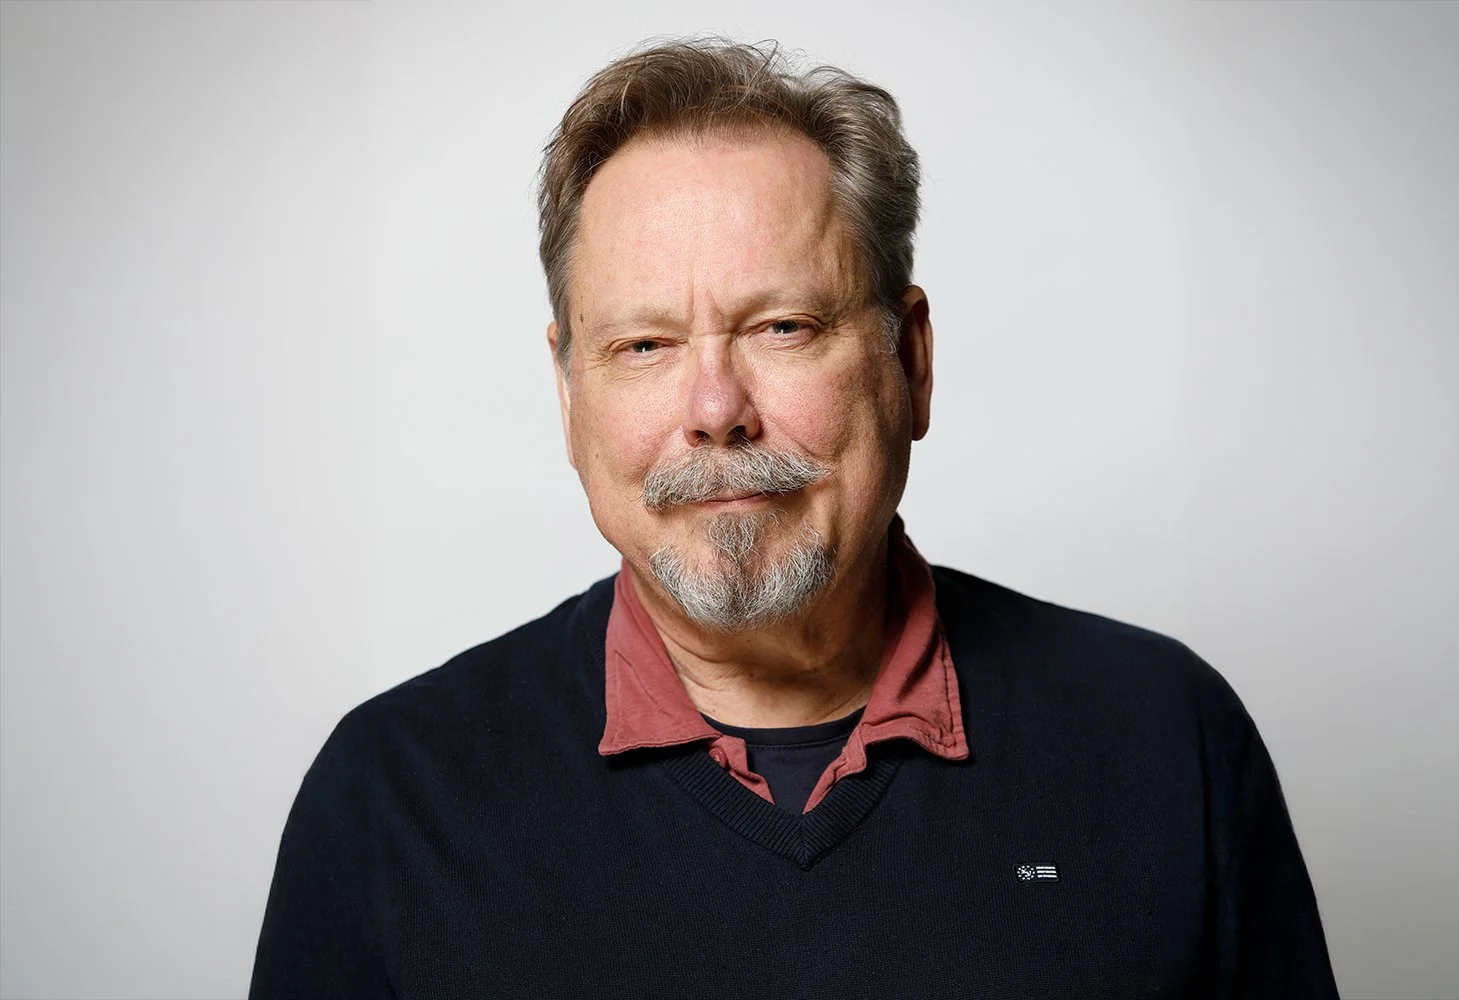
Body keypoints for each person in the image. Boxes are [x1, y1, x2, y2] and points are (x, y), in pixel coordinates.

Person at [250, 38, 1339, 999]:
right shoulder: (392, 796)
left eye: (782, 325)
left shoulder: (1165, 738)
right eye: (644, 345)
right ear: (570, 393)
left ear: (910, 359)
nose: (716, 412)